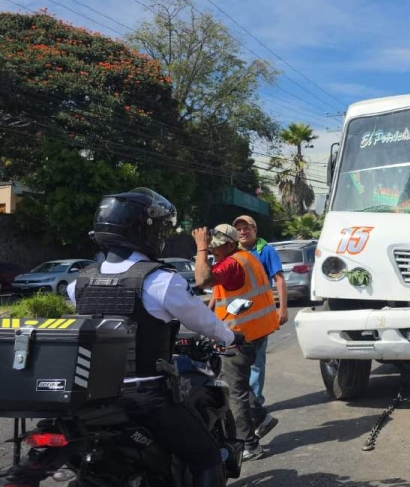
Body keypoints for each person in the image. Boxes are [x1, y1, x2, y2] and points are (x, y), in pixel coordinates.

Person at [68, 188, 239, 487]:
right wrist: (228, 336)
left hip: (94, 399)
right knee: (206, 457)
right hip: (145, 398)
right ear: (139, 230)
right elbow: (203, 320)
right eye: (158, 227)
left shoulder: (79, 282)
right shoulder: (158, 280)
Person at [193, 224, 280, 460]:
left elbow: (202, 279)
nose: (213, 253)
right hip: (256, 330)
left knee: (234, 391)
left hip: (240, 334)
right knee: (236, 381)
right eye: (211, 249)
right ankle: (261, 418)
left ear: (230, 245)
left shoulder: (232, 263)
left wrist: (200, 248)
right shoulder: (246, 258)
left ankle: (249, 445)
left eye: (216, 248)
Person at [233, 215, 286, 439]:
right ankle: (253, 407)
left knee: (255, 364)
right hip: (238, 318)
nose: (243, 232)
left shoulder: (266, 250)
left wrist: (282, 308)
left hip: (260, 318)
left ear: (255, 230)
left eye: (247, 228)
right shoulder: (232, 251)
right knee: (238, 364)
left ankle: (255, 408)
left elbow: (280, 279)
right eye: (240, 229)